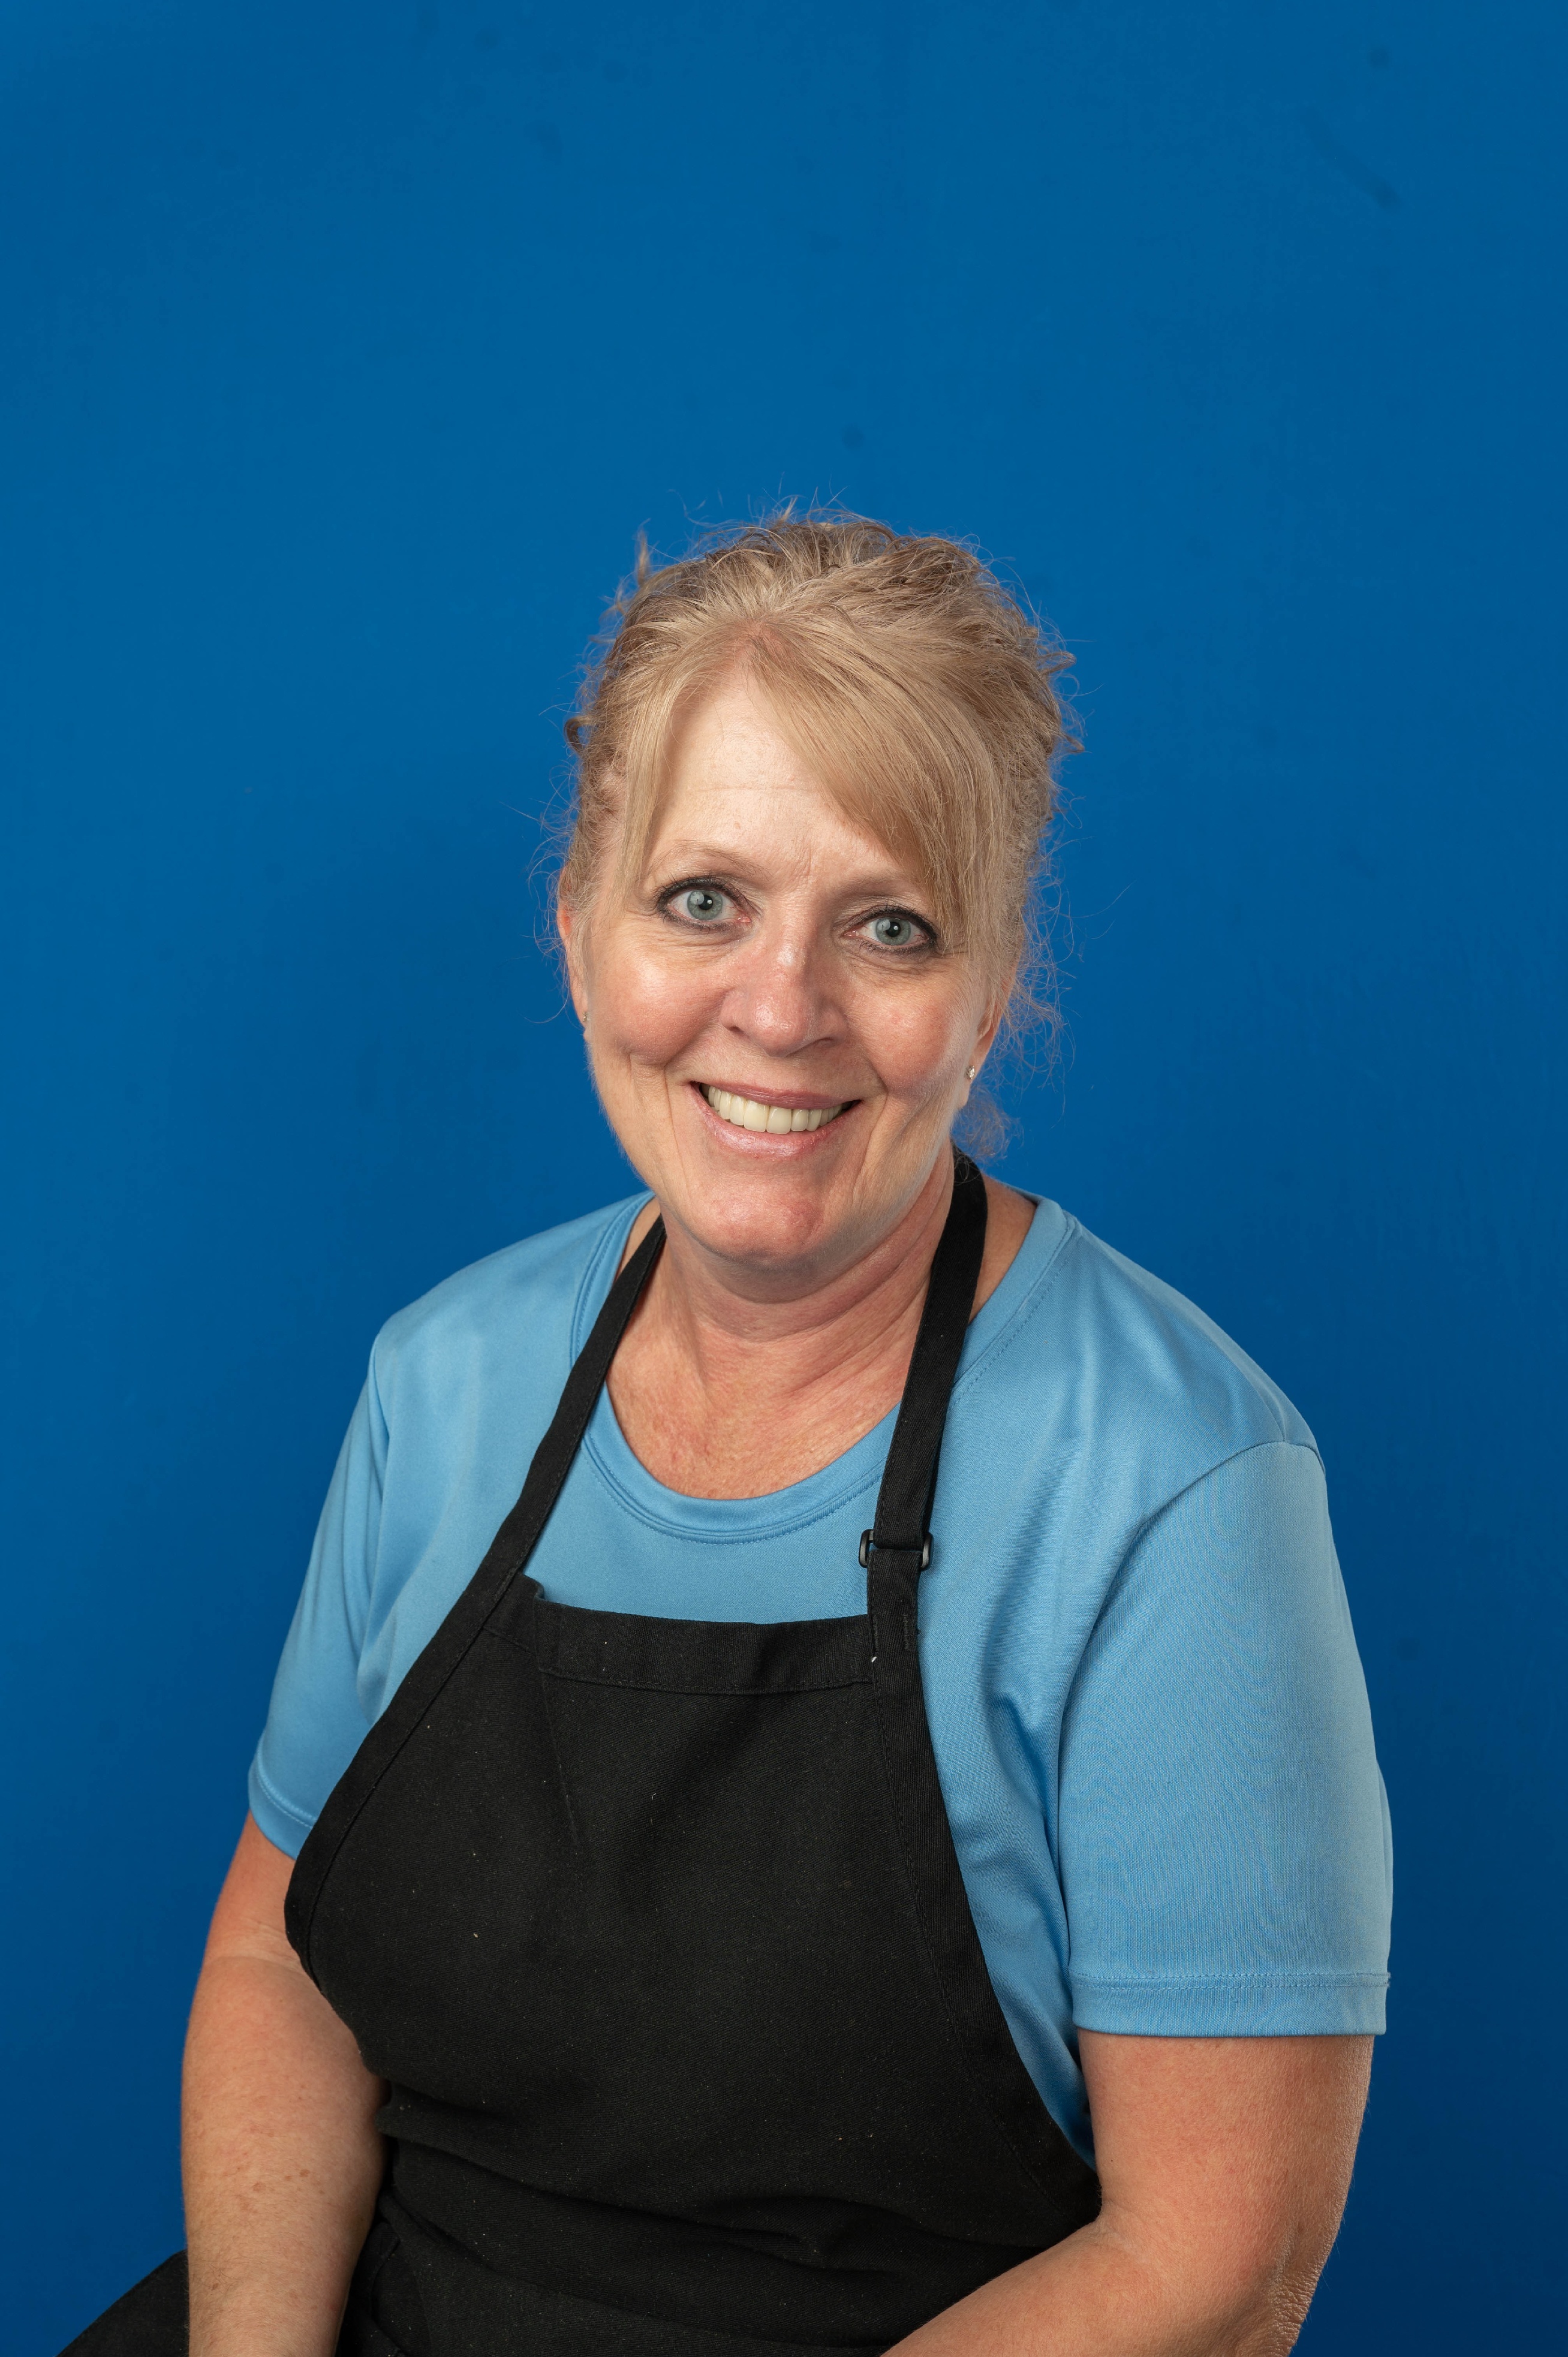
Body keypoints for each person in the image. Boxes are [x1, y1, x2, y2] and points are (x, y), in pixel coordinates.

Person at [70, 514, 1391, 2357]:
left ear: (992, 988)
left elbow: (1216, 2257)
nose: (780, 1009)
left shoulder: (1176, 1483)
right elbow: (277, 1971)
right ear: (579, 927)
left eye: (890, 924)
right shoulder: (446, 1380)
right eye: (704, 899)